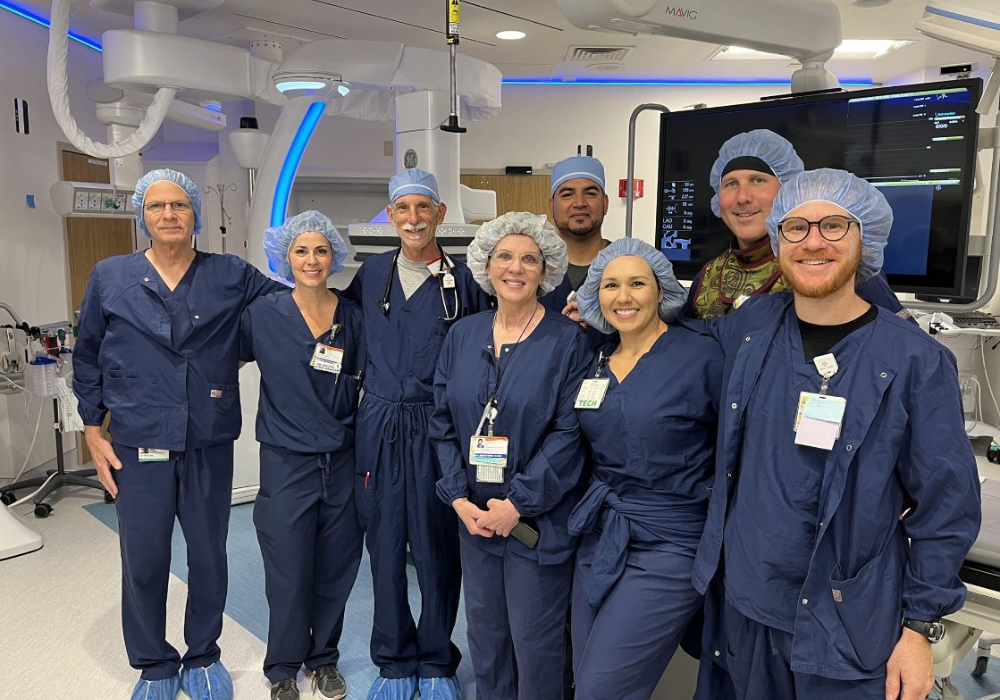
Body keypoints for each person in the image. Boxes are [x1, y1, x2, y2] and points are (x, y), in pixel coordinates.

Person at [690, 169, 981, 700]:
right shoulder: (748, 329)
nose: (813, 242)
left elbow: (948, 505)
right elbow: (671, 349)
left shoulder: (914, 361)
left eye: (834, 225)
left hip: (848, 623)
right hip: (746, 606)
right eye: (796, 228)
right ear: (778, 241)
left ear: (864, 237)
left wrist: (918, 629)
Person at [73, 169, 282, 700]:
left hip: (207, 434)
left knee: (209, 552)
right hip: (136, 436)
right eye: (157, 206)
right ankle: (154, 665)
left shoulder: (230, 273)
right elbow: (88, 355)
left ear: (196, 215)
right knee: (144, 555)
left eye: (180, 205)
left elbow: (289, 311)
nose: (169, 214)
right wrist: (94, 433)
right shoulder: (110, 275)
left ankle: (204, 655)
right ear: (142, 215)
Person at [342, 168, 490, 700]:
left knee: (436, 546)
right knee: (382, 542)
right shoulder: (372, 273)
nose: (412, 219)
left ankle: (436, 659)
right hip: (379, 422)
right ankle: (393, 659)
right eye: (402, 208)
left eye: (423, 208)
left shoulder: (466, 282)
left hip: (438, 424)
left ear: (440, 215)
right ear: (391, 215)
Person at [430, 211, 591, 700]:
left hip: (534, 523)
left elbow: (570, 433)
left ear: (546, 271)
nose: (515, 268)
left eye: (528, 258)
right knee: (487, 636)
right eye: (504, 256)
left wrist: (517, 503)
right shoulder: (463, 335)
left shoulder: (568, 341)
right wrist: (459, 499)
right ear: (486, 265)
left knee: (535, 641)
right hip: (474, 518)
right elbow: (442, 422)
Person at [568, 237, 723, 700]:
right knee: (585, 673)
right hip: (600, 537)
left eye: (637, 283)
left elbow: (738, 446)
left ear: (662, 292)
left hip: (671, 543)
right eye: (611, 285)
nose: (624, 296)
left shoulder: (702, 356)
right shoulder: (595, 362)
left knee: (600, 690)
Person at [240, 211, 365, 700]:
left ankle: (324, 659)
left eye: (320, 250)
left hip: (342, 456)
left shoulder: (352, 317)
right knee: (288, 568)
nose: (311, 260)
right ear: (284, 257)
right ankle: (283, 667)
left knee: (337, 566)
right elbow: (220, 358)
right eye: (301, 251)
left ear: (334, 255)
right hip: (287, 460)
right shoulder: (263, 314)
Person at [682, 129, 907, 321]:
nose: (742, 197)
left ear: (788, 190)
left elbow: (903, 348)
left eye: (757, 180)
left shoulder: (835, 267)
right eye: (731, 184)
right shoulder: (708, 276)